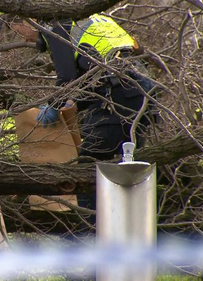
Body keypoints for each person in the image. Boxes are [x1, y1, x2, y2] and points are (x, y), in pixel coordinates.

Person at [33, 14, 156, 220]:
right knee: (129, 167)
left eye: (18, 29)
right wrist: (77, 104)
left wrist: (53, 105)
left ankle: (92, 233)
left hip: (120, 96)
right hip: (143, 92)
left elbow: (66, 78)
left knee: (89, 165)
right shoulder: (91, 19)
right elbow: (97, 73)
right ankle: (129, 226)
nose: (24, 37)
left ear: (25, 20)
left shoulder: (56, 26)